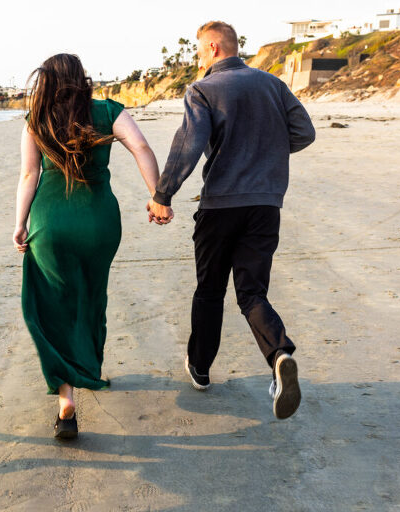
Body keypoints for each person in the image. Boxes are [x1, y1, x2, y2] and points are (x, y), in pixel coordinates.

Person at [147, 21, 315, 419]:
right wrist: (266, 152)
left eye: (200, 52)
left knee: (209, 290)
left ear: (214, 47)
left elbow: (187, 146)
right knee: (252, 292)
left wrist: (162, 195)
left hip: (220, 206)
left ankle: (201, 369)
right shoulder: (272, 84)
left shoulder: (203, 90)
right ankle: (279, 354)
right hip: (265, 206)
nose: (199, 60)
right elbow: (304, 132)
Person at [14, 53, 161, 438]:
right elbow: (141, 147)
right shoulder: (108, 110)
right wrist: (158, 195)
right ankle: (87, 364)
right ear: (82, 79)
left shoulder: (36, 119)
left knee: (51, 304)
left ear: (46, 80)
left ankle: (67, 399)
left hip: (50, 222)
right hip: (99, 222)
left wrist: (19, 224)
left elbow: (29, 173)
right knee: (91, 297)